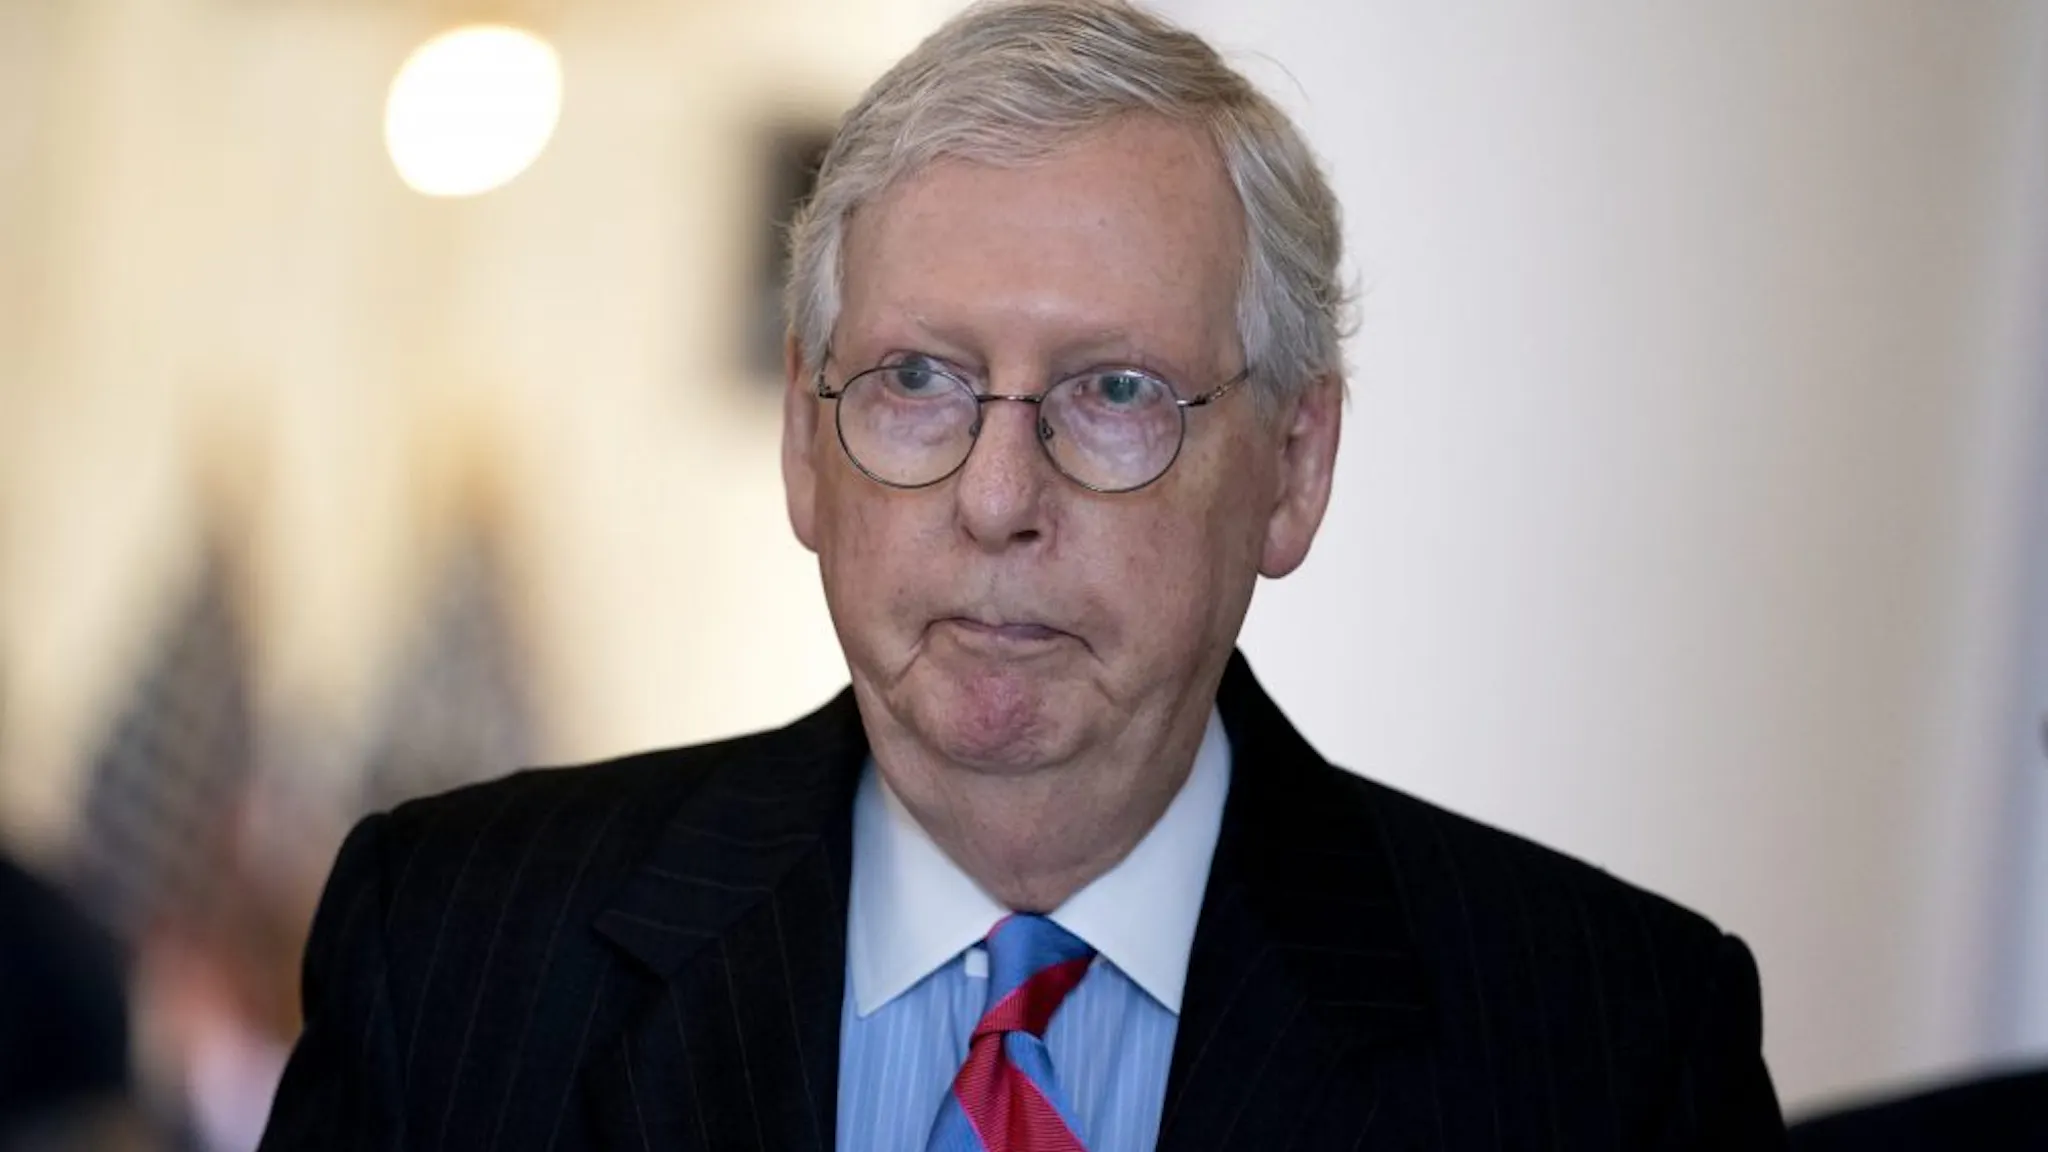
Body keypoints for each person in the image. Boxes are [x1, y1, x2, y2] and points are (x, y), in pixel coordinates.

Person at [259, 1, 1787, 1148]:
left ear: (1295, 464)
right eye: (918, 379)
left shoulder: (1614, 1044)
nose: (998, 498)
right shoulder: (451, 951)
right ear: (805, 441)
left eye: (1115, 392)